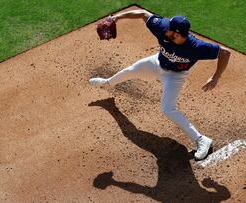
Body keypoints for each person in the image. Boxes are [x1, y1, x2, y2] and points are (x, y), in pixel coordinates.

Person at [89, 9, 231, 160]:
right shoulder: (162, 27)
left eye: (170, 30)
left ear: (177, 34)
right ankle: (107, 83)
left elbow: (225, 53)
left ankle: (201, 140)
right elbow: (143, 14)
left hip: (175, 76)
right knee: (131, 70)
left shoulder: (197, 47)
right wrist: (116, 17)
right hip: (157, 63)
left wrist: (216, 77)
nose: (166, 30)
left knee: (167, 109)